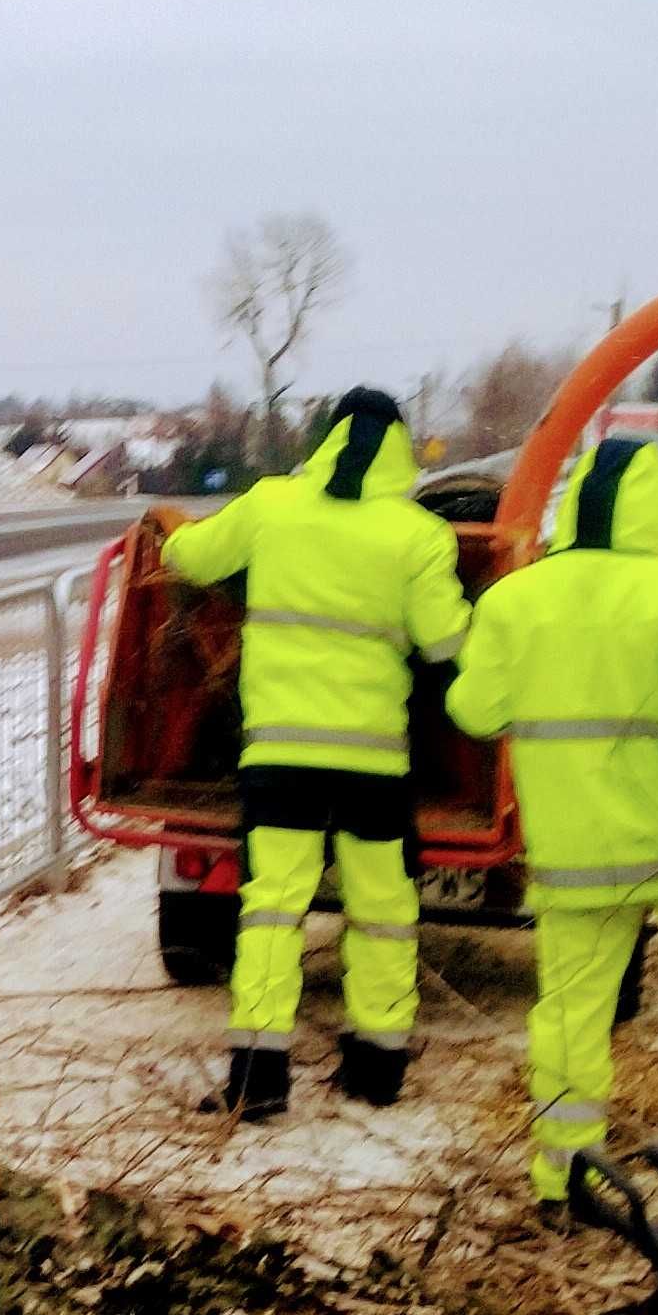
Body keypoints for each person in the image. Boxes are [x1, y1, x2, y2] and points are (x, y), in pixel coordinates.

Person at [446, 433, 658, 1210]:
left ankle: (564, 1179)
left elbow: (473, 710)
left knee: (570, 1015)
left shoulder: (515, 598)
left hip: (575, 854)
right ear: (655, 508)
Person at [158, 387, 466, 1118]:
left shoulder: (272, 505)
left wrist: (173, 531)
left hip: (281, 757)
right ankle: (378, 1066)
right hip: (373, 765)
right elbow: (447, 643)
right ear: (400, 448)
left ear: (328, 439)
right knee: (384, 910)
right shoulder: (420, 535)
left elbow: (190, 558)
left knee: (271, 910)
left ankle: (259, 1078)